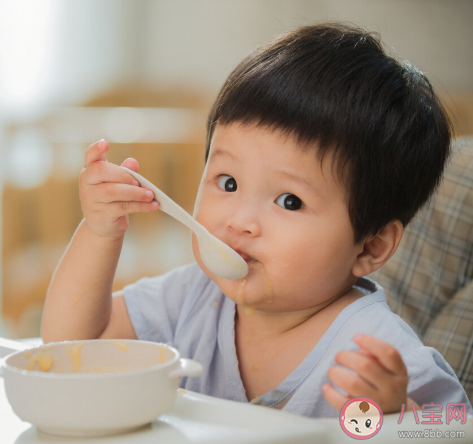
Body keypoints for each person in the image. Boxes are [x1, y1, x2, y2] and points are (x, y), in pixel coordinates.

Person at [41, 22, 472, 418]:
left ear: (370, 246)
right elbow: (75, 347)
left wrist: (395, 414)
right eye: (227, 183)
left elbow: (451, 431)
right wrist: (99, 233)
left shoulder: (376, 354)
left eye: (288, 201)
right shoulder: (192, 299)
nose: (241, 220)